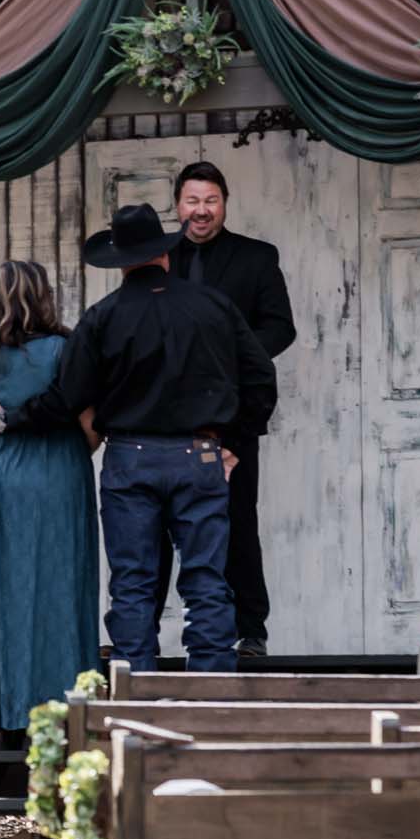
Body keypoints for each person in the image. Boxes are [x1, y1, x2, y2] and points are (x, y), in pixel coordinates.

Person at [0, 203, 277, 674]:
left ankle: (137, 690)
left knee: (134, 581)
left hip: (130, 461)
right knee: (206, 579)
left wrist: (9, 419)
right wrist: (234, 442)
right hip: (199, 456)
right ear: (165, 253)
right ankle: (212, 688)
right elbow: (260, 378)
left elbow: (66, 398)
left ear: (120, 260)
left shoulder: (103, 318)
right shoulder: (213, 307)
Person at [0, 260, 101, 745]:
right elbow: (89, 430)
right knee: (59, 590)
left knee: (0, 596)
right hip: (56, 478)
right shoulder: (65, 352)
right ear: (44, 298)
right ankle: (58, 709)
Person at [162, 162, 296, 658]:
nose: (201, 211)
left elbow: (281, 327)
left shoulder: (256, 258)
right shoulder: (155, 259)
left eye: (211, 201)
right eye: (193, 201)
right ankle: (147, 630)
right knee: (158, 527)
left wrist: (234, 359)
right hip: (167, 418)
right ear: (178, 204)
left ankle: (251, 630)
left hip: (234, 416)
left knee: (238, 521)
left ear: (225, 203)